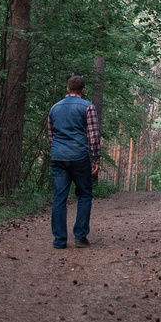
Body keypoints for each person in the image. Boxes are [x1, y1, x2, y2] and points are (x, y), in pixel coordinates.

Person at [47, 75, 100, 249]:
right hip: (79, 156)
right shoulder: (88, 107)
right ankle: (80, 237)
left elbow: (51, 136)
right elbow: (93, 136)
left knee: (59, 198)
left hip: (58, 157)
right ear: (83, 90)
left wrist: (56, 152)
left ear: (67, 88)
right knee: (84, 194)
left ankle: (59, 240)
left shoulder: (54, 108)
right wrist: (96, 160)